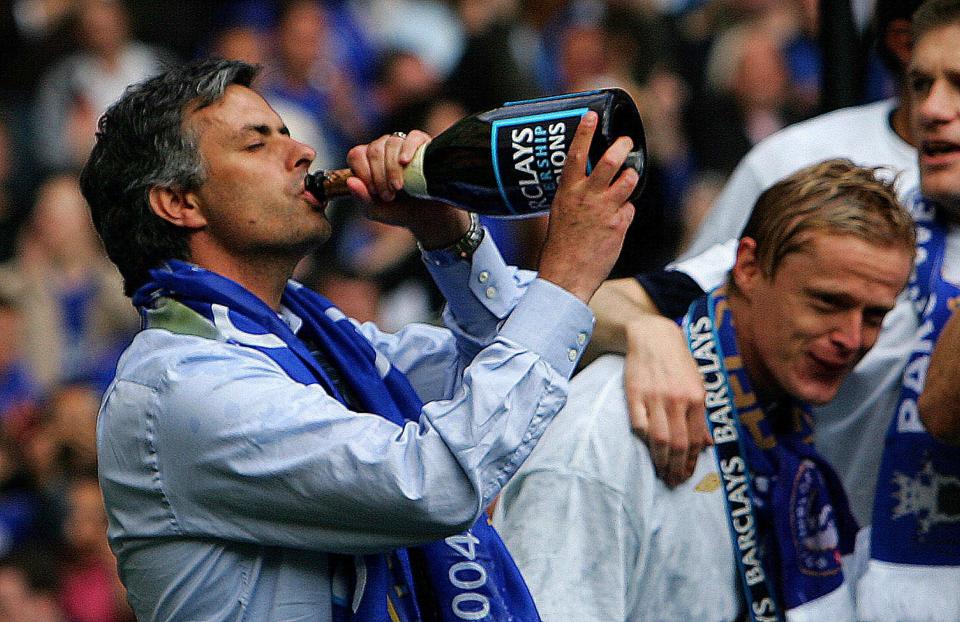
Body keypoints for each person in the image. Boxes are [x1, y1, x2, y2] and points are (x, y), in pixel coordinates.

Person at [79, 57, 638, 621]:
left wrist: (448, 232)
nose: (300, 153)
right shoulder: (180, 386)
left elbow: (487, 378)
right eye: (256, 145)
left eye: (288, 135)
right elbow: (433, 482)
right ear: (180, 203)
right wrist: (564, 277)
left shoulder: (311, 339)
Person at [587, 1, 960, 618]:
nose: (934, 110)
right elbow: (602, 300)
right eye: (921, 83)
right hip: (806, 581)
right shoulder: (833, 191)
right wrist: (650, 332)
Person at [495, 159, 915, 622]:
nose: (852, 339)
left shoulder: (785, 421)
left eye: (874, 316)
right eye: (827, 303)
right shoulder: (605, 433)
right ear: (749, 266)